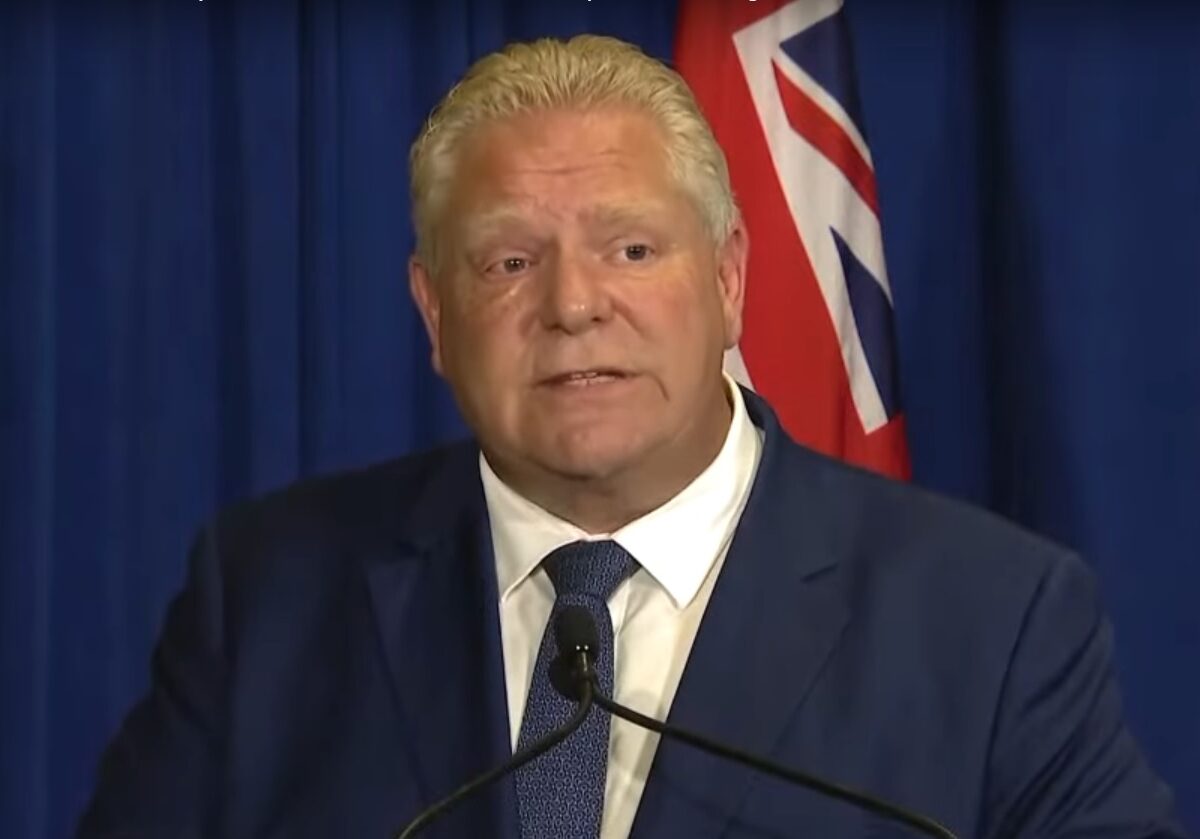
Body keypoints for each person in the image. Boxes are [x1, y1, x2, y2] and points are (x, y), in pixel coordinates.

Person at [79, 34, 1187, 839]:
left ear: (730, 279)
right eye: (510, 261)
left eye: (631, 251)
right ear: (434, 313)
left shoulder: (992, 617)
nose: (572, 305)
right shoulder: (268, 594)